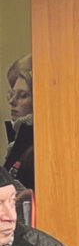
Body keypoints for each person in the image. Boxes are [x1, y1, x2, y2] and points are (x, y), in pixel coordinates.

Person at [3, 55, 33, 190]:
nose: (12, 101)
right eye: (12, 93)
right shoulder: (19, 137)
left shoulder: (34, 146)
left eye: (22, 96)